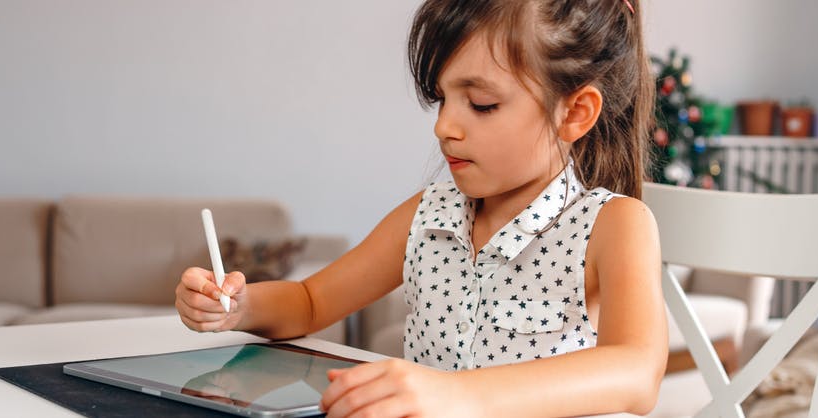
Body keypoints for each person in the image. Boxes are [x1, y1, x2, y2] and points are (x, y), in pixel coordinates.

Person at [175, 0, 667, 416]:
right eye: (441, 99)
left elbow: (637, 370)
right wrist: (239, 306)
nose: (445, 127)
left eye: (481, 104)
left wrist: (455, 393)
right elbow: (311, 302)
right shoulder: (428, 214)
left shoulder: (612, 225)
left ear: (574, 113)